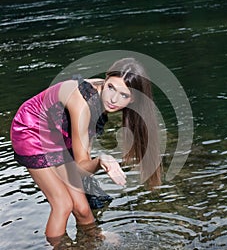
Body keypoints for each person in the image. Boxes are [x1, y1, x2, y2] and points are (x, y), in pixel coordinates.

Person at [10, 58, 161, 239]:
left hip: (59, 133)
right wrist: (101, 161)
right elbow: (82, 165)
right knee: (63, 204)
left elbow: (80, 167)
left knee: (82, 208)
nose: (113, 99)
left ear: (133, 99)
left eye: (124, 95)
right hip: (32, 129)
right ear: (105, 80)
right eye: (111, 87)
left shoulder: (104, 103)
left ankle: (93, 239)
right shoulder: (83, 103)